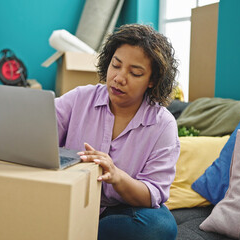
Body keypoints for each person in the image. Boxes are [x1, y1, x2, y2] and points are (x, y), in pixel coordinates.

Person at [55, 24, 180, 240]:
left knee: (161, 227)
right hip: (69, 198)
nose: (119, 78)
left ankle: (75, 231)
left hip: (122, 211)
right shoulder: (79, 99)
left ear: (152, 80)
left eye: (135, 73)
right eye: (116, 65)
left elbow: (152, 195)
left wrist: (117, 176)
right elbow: (40, 132)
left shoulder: (163, 125)